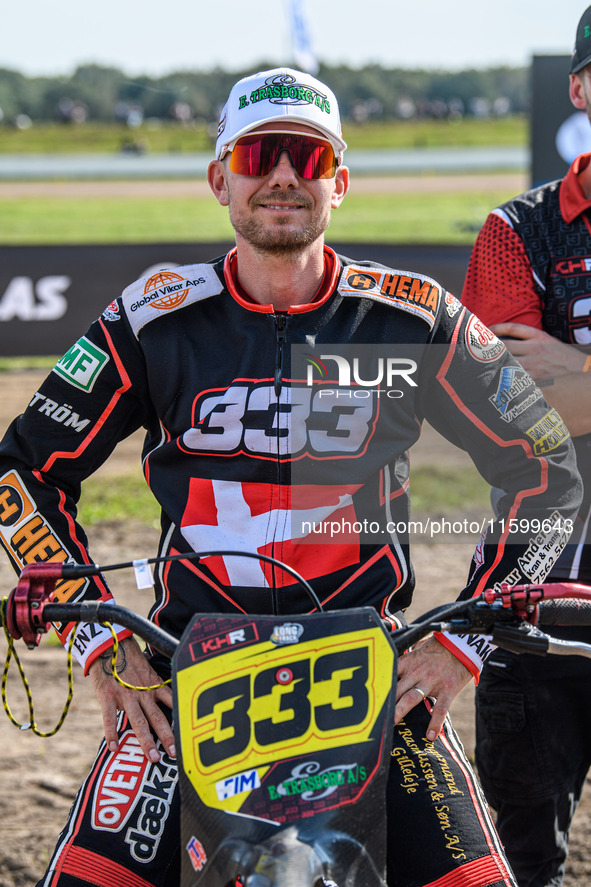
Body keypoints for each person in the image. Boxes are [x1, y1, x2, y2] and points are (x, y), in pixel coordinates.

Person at [0, 66, 581, 887]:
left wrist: (461, 641)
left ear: (337, 182)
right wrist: (99, 641)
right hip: (183, 685)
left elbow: (546, 467)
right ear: (219, 178)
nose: (281, 174)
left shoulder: (411, 317)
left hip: (379, 686)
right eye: (258, 153)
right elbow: (21, 470)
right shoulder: (152, 317)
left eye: (305, 158)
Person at [461, 9, 591, 885]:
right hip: (537, 595)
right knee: (519, 866)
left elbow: (564, 389)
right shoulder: (518, 229)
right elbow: (515, 408)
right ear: (580, 89)